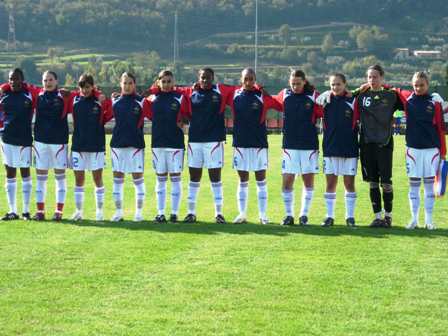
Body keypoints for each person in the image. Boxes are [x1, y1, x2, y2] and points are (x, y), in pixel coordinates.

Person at [172, 68, 234, 224]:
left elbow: (241, 88)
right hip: (195, 141)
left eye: (208, 78)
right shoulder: (190, 92)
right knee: (194, 178)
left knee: (215, 178)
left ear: (213, 78)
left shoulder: (220, 91)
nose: (205, 81)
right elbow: (169, 87)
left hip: (214, 141)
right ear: (198, 79)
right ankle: (191, 213)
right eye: (202, 78)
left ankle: (219, 214)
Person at [226, 68, 282, 224]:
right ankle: (242, 214)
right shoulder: (234, 94)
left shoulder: (261, 96)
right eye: (246, 79)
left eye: (252, 79)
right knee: (243, 180)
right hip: (240, 143)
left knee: (260, 180)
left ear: (255, 80)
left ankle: (263, 215)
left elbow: (279, 105)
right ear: (241, 79)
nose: (249, 82)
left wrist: (267, 94)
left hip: (259, 143)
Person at [396, 72, 446, 230]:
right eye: (415, 85)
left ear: (428, 84)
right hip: (413, 150)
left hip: (432, 150)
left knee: (430, 186)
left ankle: (429, 220)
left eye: (421, 85)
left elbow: (441, 127)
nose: (418, 88)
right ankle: (414, 219)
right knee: (414, 185)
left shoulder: (435, 101)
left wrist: (443, 151)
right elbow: (391, 88)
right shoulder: (407, 98)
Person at [355, 65, 403, 228]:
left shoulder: (391, 95)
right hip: (367, 144)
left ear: (382, 78)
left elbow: (409, 102)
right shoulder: (362, 95)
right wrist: (358, 89)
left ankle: (388, 217)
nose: (372, 80)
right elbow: (344, 95)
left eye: (375, 77)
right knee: (373, 182)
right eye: (369, 77)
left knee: (386, 182)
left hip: (384, 143)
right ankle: (377, 217)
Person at [273, 70, 321, 226]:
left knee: (308, 181)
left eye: (298, 83)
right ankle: (289, 215)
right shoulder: (284, 95)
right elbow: (269, 101)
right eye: (292, 83)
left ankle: (304, 215)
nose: (295, 86)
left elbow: (328, 108)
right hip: (289, 145)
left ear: (304, 82)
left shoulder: (314, 96)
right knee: (287, 180)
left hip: (309, 145)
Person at [316, 73, 359, 227]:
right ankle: (329, 216)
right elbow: (309, 98)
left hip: (350, 149)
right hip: (330, 148)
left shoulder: (353, 101)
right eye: (333, 84)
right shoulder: (325, 100)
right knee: (330, 184)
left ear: (345, 84)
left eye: (338, 84)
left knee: (349, 184)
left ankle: (350, 217)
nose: (335, 87)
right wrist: (321, 95)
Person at [67, 74, 112, 221]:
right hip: (78, 146)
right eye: (82, 87)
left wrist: (101, 96)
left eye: (87, 87)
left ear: (92, 86)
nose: (84, 90)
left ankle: (99, 212)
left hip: (96, 146)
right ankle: (79, 211)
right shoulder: (74, 99)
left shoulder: (99, 100)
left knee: (97, 179)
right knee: (78, 181)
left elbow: (110, 110)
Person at [147, 70, 190, 223]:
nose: (166, 84)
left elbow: (187, 116)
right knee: (160, 179)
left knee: (176, 179)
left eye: (169, 81)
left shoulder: (180, 98)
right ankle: (160, 213)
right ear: (158, 82)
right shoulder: (152, 99)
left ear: (173, 82)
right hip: (158, 144)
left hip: (175, 144)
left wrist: (184, 122)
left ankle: (174, 213)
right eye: (163, 81)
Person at [110, 72, 150, 222]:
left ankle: (138, 213)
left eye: (130, 83)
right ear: (120, 84)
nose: (127, 86)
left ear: (135, 84)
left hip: (136, 146)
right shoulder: (114, 101)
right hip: (117, 145)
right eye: (124, 83)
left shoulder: (142, 102)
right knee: (117, 181)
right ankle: (118, 212)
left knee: (138, 180)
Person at [0, 68, 34, 220]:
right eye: (11, 79)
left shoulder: (29, 95)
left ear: (22, 80)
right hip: (7, 139)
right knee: (10, 173)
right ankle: (12, 210)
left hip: (24, 140)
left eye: (16, 78)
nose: (13, 81)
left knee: (25, 173)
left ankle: (26, 211)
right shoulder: (3, 95)